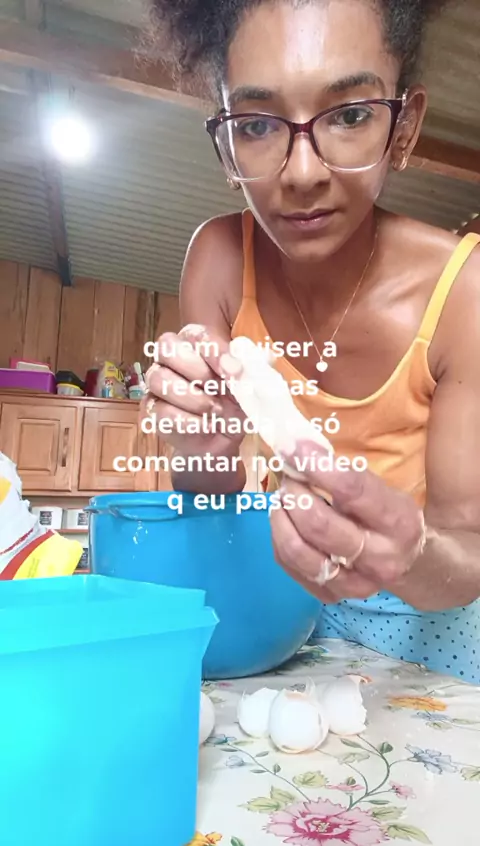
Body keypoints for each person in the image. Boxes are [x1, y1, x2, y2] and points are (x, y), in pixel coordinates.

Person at [146, 0, 480, 682]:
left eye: (350, 115)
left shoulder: (464, 293)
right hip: (286, 616)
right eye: (257, 124)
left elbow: (469, 556)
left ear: (404, 128)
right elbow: (212, 493)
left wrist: (407, 553)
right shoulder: (218, 260)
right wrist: (200, 448)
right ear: (226, 145)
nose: (301, 173)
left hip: (434, 632)